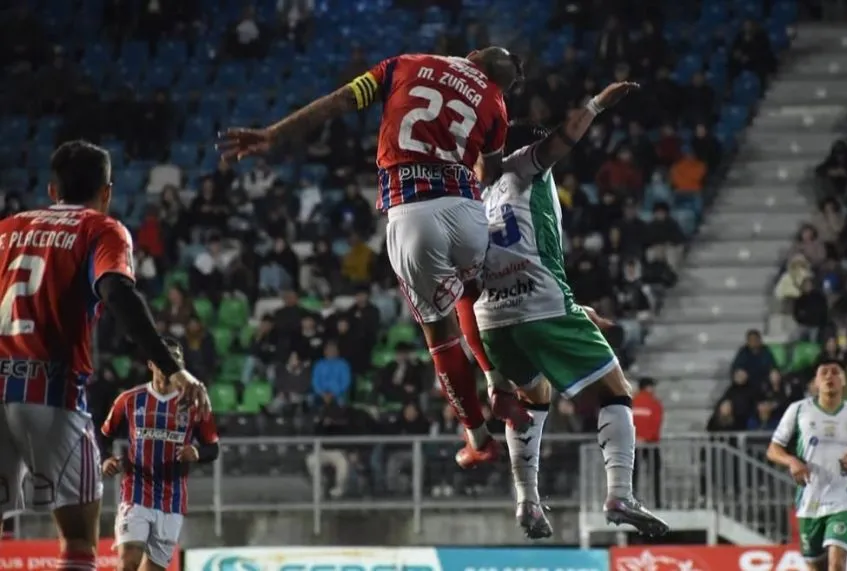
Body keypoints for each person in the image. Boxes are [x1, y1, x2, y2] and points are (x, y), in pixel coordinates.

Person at [216, 48, 529, 466]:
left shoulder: (405, 64)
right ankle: (499, 385)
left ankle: (476, 438)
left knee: (438, 331)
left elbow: (340, 101)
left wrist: (275, 133)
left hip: (413, 212)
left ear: (471, 55)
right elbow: (487, 174)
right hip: (468, 212)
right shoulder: (496, 102)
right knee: (470, 292)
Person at [467, 81, 667, 539]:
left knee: (533, 400)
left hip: (493, 318)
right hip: (542, 304)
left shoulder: (474, 196)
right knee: (616, 390)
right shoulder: (524, 169)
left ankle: (527, 503)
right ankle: (620, 492)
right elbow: (565, 136)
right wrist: (596, 103)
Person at [0, 140, 209, 571]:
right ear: (107, 192)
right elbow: (118, 293)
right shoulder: (101, 229)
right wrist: (175, 369)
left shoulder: (5, 229)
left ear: (52, 189)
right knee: (78, 540)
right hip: (52, 393)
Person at [99, 337, 220, 571]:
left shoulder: (195, 404)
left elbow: (212, 448)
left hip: (172, 500)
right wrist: (105, 458)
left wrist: (195, 452)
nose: (171, 362)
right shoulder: (129, 399)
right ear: (151, 364)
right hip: (136, 493)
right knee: (128, 562)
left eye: (176, 358)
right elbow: (103, 435)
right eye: (165, 357)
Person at [766, 359, 847, 571]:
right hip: (809, 499)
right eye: (823, 373)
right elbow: (773, 449)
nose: (829, 376)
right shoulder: (798, 410)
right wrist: (792, 461)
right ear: (816, 382)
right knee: (816, 566)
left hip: (843, 497)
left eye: (835, 372)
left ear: (844, 380)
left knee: (836, 564)